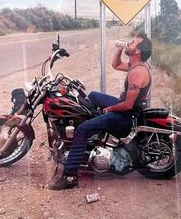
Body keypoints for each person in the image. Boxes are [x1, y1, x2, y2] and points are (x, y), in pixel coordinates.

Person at [47, 33, 152, 190]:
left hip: (126, 115)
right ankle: (93, 126)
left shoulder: (138, 72)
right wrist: (119, 48)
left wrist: (108, 109)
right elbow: (115, 65)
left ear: (137, 52)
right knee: (93, 95)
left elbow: (128, 105)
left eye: (132, 43)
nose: (128, 43)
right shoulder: (135, 65)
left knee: (82, 130)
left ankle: (70, 177)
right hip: (123, 106)